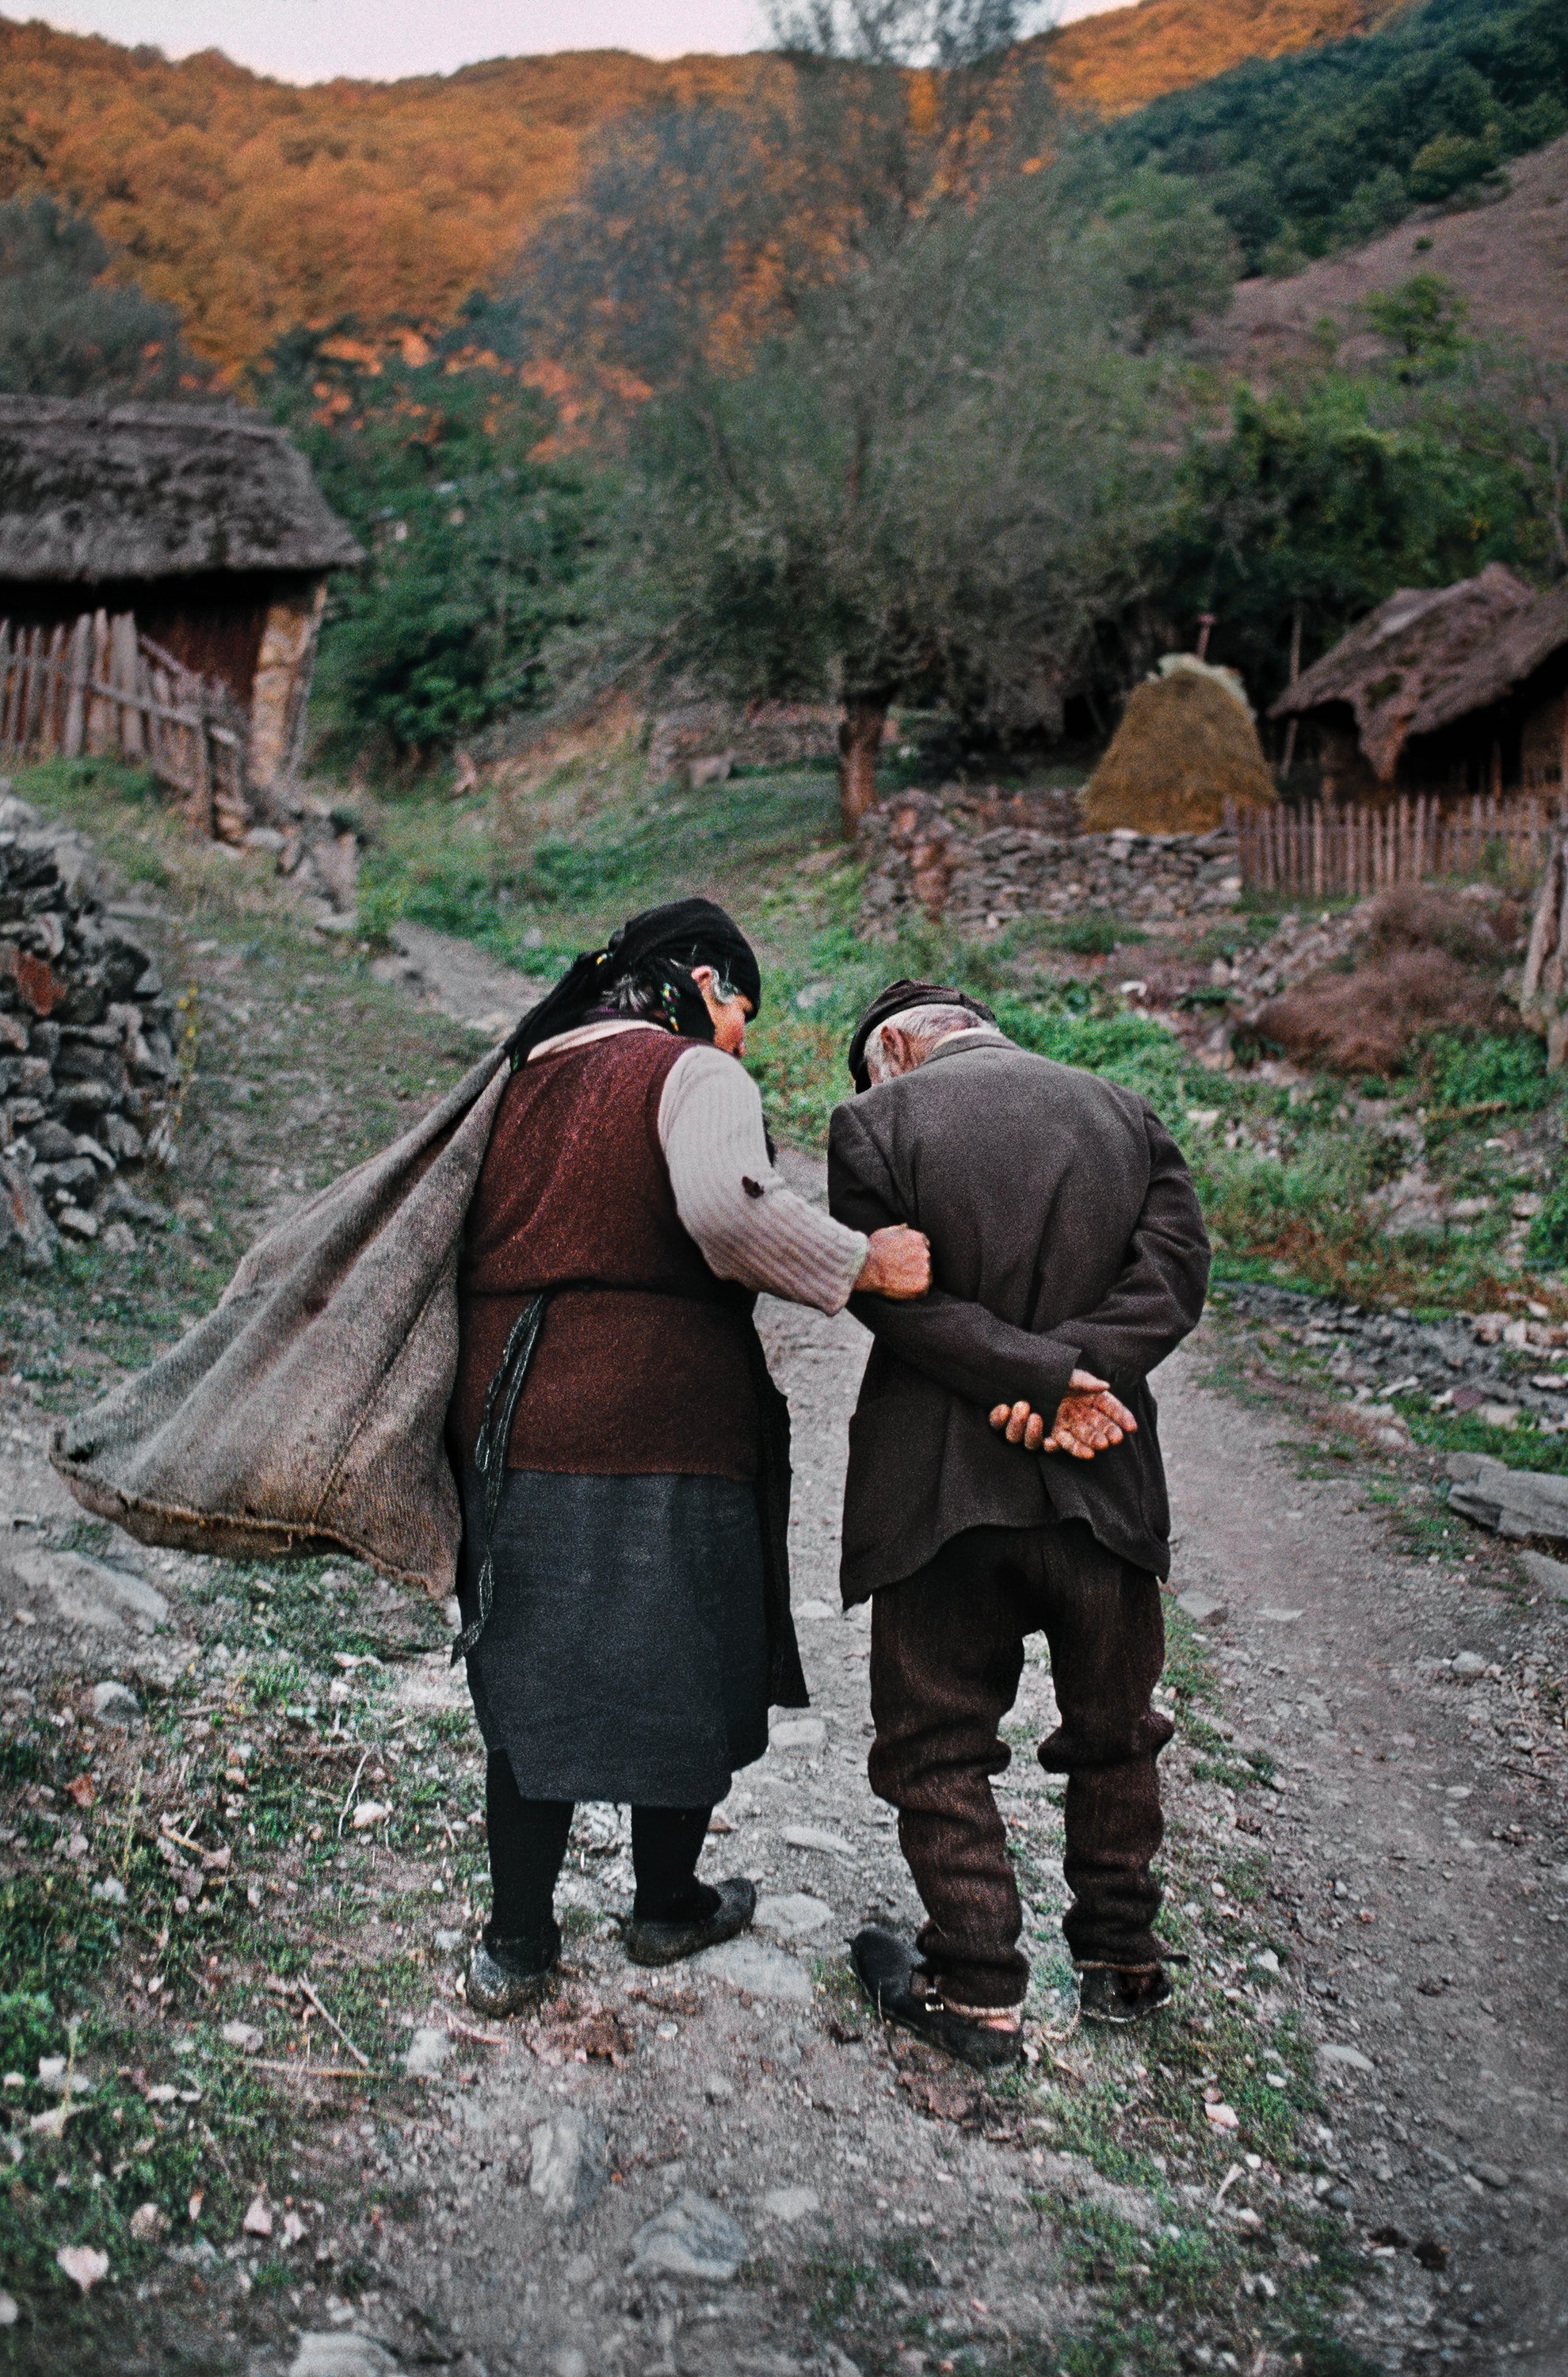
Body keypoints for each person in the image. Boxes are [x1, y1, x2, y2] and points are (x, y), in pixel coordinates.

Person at [450, 901, 931, 2016]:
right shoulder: (690, 1073)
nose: (743, 1040)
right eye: (744, 1012)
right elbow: (725, 1210)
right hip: (665, 1418)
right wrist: (863, 1263)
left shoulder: (517, 1071)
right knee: (679, 1661)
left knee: (530, 1675)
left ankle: (516, 1944)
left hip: (508, 1424)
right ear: (704, 981)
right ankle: (664, 1908)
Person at [826, 979, 1211, 2064]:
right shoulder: (1124, 1109)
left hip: (941, 1495)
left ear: (895, 1045)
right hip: (1106, 1479)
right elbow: (1176, 1276)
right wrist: (1078, 1381)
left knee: (936, 1741)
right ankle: (1124, 1965)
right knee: (1115, 1731)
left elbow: (886, 1294)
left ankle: (980, 1987)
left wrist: (1033, 1377)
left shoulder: (872, 1123)